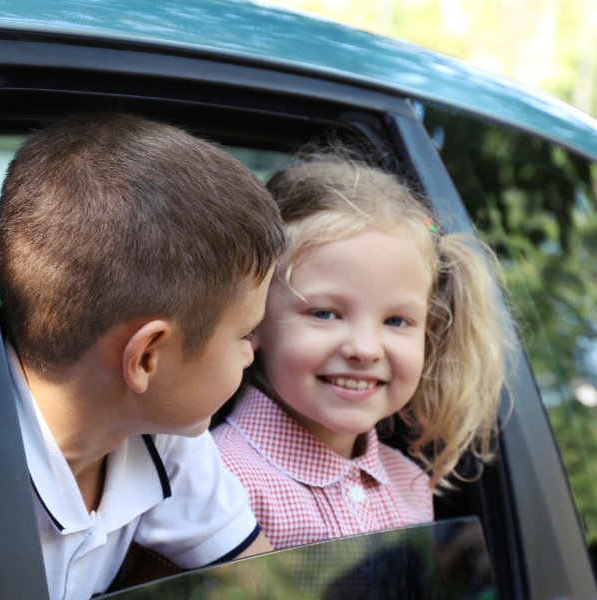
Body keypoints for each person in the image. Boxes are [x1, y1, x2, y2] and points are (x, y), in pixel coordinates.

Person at [0, 113, 283, 600]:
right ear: (148, 357)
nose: (254, 351)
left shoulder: (163, 434)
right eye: (245, 333)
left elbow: (269, 599)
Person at [214, 154, 510, 550]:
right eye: (324, 313)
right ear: (252, 318)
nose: (365, 349)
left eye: (397, 321)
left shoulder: (411, 485)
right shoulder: (216, 482)